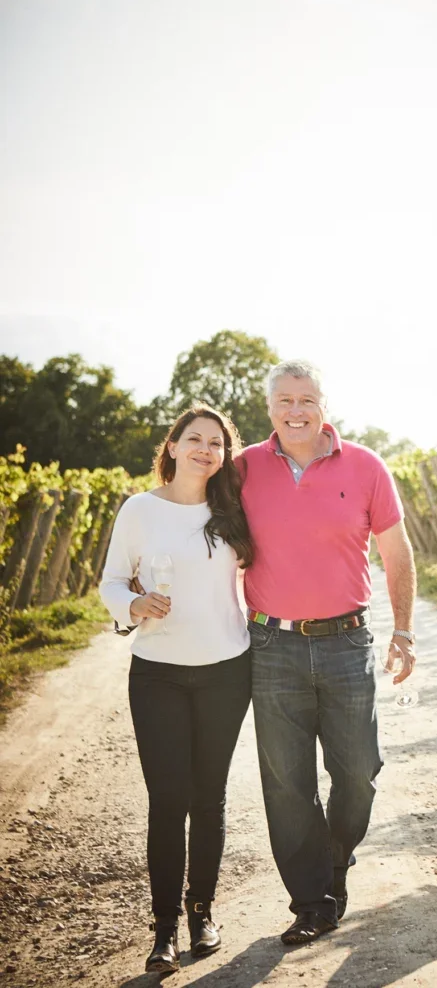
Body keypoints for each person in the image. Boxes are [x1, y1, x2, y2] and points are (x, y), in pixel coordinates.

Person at [237, 359, 417, 945]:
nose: (296, 410)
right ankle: (312, 901)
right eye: (285, 400)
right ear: (270, 410)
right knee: (287, 783)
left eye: (306, 399)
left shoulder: (365, 466)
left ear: (324, 406)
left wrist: (404, 630)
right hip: (270, 644)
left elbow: (396, 550)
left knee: (359, 773)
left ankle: (336, 859)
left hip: (347, 641)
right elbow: (199, 533)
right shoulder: (243, 470)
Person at [100, 403, 254, 974]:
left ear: (224, 455)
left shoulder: (233, 511)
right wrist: (132, 605)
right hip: (158, 671)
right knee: (168, 801)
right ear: (172, 447)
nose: (205, 449)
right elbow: (112, 581)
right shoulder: (140, 509)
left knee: (208, 799)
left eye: (216, 443)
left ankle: (201, 913)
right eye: (194, 439)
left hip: (226, 669)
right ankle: (164, 928)